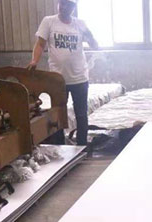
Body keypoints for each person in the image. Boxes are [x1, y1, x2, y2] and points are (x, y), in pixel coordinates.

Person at [28, 0, 99, 146]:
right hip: (58, 79)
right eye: (62, 3)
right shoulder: (49, 22)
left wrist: (91, 37)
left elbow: (94, 45)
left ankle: (82, 145)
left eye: (68, 5)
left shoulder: (80, 24)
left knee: (81, 114)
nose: (64, 7)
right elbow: (40, 44)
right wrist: (34, 60)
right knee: (58, 113)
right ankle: (60, 146)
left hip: (79, 78)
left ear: (73, 7)